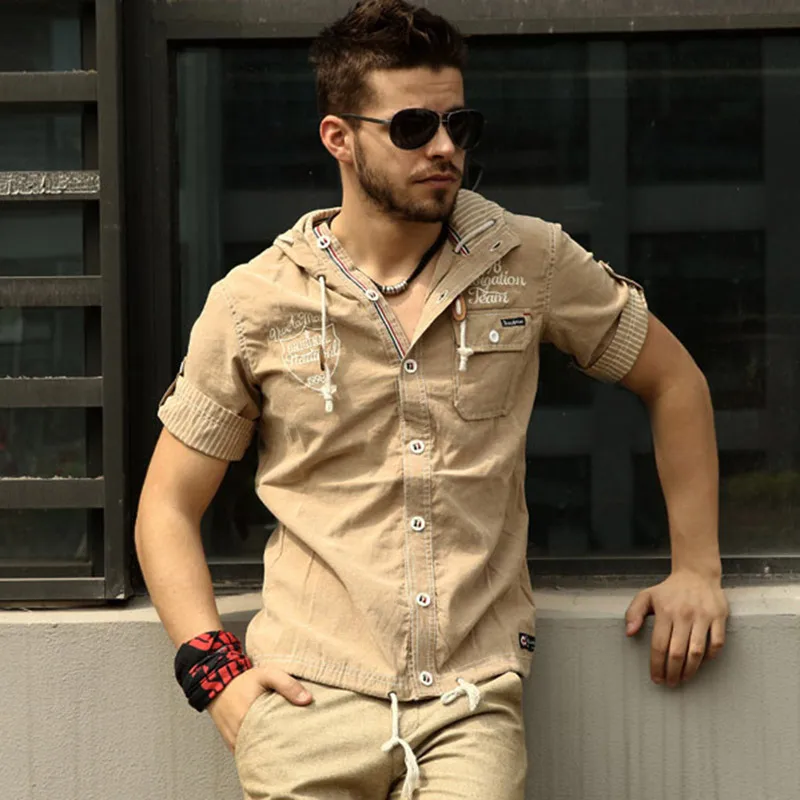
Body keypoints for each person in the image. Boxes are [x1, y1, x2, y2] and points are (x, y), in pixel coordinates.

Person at [135, 1, 730, 797]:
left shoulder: (530, 261)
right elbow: (167, 506)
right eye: (413, 127)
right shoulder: (254, 301)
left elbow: (675, 380)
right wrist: (217, 677)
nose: (445, 147)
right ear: (339, 137)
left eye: (459, 123)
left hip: (470, 701)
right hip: (307, 699)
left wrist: (698, 568)